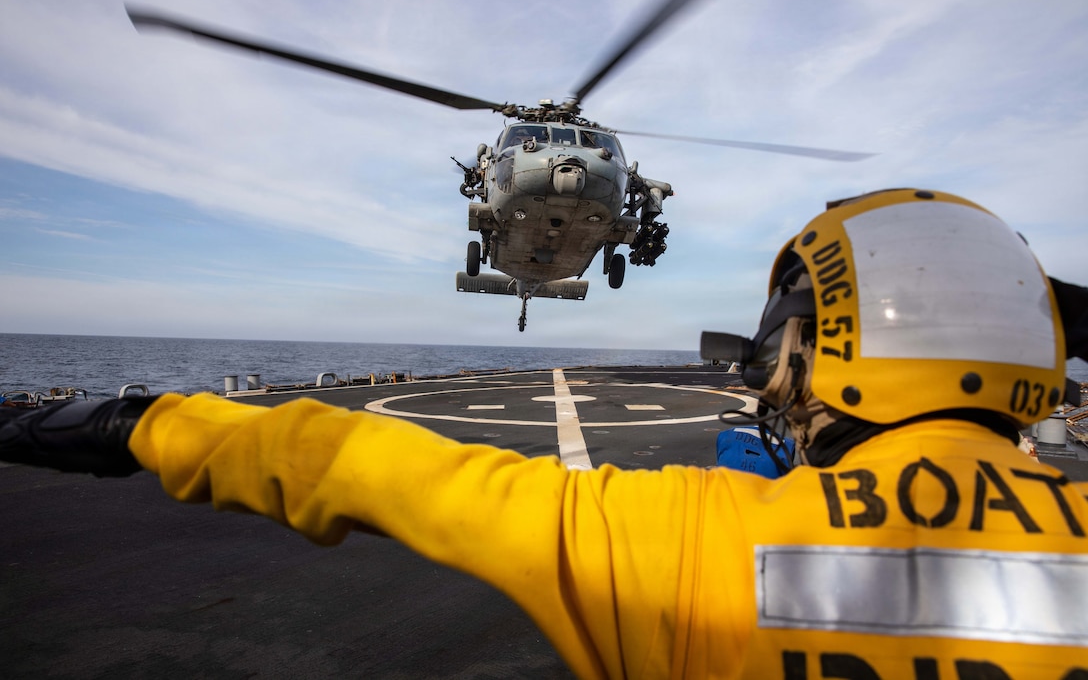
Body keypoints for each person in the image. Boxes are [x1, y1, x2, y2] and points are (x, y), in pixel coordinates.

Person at [3, 188, 1087, 679]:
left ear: (820, 348)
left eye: (776, 350)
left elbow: (341, 456)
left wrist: (123, 419)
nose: (771, 377)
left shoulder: (668, 545)